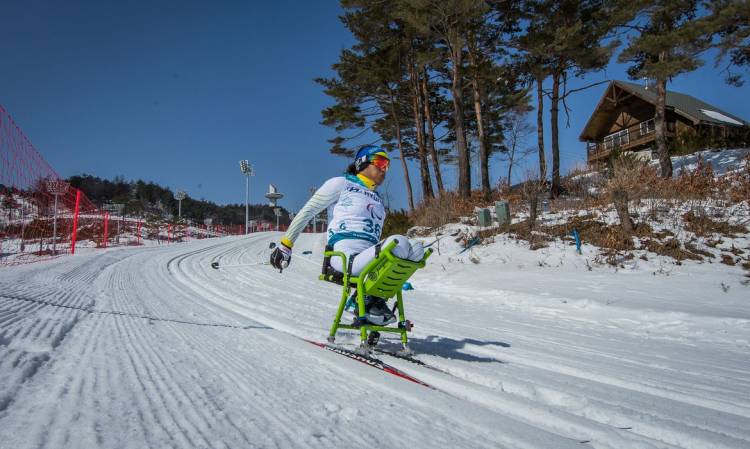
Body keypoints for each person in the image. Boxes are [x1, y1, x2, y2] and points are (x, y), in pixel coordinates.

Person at [269, 145, 424, 325]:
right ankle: (365, 300)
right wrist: (285, 245)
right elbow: (308, 211)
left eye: (387, 165)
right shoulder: (341, 183)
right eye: (381, 162)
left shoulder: (377, 198)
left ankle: (371, 298)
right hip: (346, 256)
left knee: (418, 249)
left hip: (369, 258)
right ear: (362, 162)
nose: (385, 169)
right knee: (399, 242)